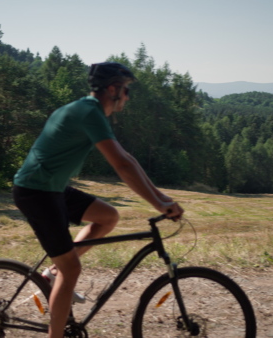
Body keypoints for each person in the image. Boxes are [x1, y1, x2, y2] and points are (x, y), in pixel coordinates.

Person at [12, 62, 184, 338]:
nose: (128, 96)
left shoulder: (90, 111)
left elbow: (129, 159)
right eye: (126, 90)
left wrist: (163, 198)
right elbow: (122, 167)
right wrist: (158, 204)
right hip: (36, 191)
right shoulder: (89, 113)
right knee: (73, 268)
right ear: (113, 90)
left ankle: (53, 274)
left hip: (50, 188)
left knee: (108, 217)